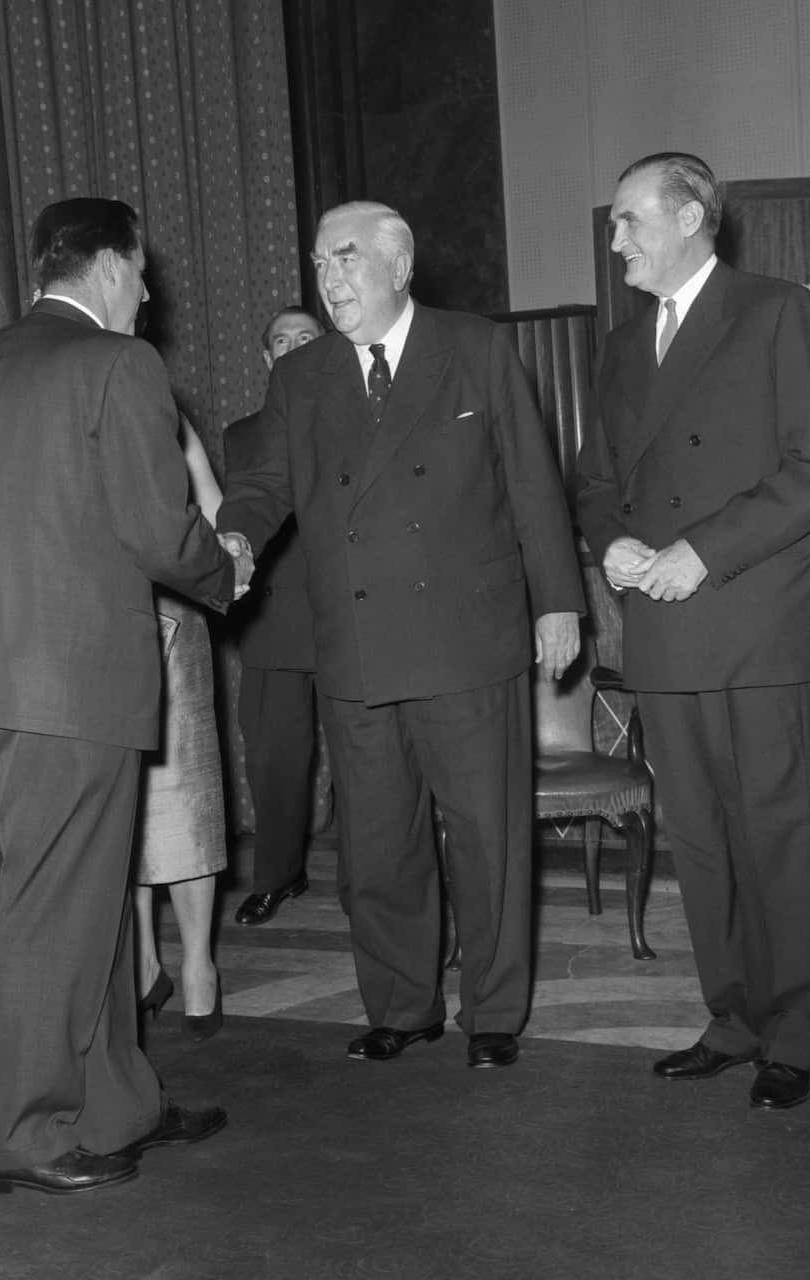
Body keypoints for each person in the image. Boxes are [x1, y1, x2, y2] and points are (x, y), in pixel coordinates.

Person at [0, 197, 249, 1195]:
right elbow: (159, 527)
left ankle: (116, 1104)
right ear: (108, 266)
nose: (147, 292)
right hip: (73, 684)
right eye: (141, 271)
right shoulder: (117, 364)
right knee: (47, 911)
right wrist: (224, 566)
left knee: (90, 899)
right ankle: (19, 1135)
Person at [217, 201, 584, 1070]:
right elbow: (265, 481)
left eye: (345, 257)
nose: (329, 276)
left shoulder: (476, 346)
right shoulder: (302, 376)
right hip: (357, 641)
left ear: (400, 264)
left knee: (486, 838)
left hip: (467, 636)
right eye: (318, 261)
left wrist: (558, 601)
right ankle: (402, 1005)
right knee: (379, 840)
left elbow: (532, 482)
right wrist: (235, 535)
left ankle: (492, 1014)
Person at [576, 153, 810, 1111]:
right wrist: (610, 540)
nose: (614, 244)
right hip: (662, 629)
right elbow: (597, 479)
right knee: (700, 840)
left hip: (755, 624)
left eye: (628, 222)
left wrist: (702, 550)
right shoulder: (618, 348)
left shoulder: (776, 313)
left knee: (780, 834)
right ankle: (731, 1019)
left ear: (691, 217)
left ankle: (796, 1035)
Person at [226, 307, 324, 928]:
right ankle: (278, 874)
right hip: (274, 615)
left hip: (349, 613)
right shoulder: (242, 435)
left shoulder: (358, 411)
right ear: (266, 359)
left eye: (305, 339)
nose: (290, 349)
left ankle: (382, 882)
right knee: (272, 758)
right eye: (280, 342)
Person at [132, 415, 228, 1043]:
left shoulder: (163, 412)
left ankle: (198, 965)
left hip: (171, 616)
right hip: (95, 620)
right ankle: (142, 961)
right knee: (122, 801)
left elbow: (216, 512)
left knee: (185, 797)